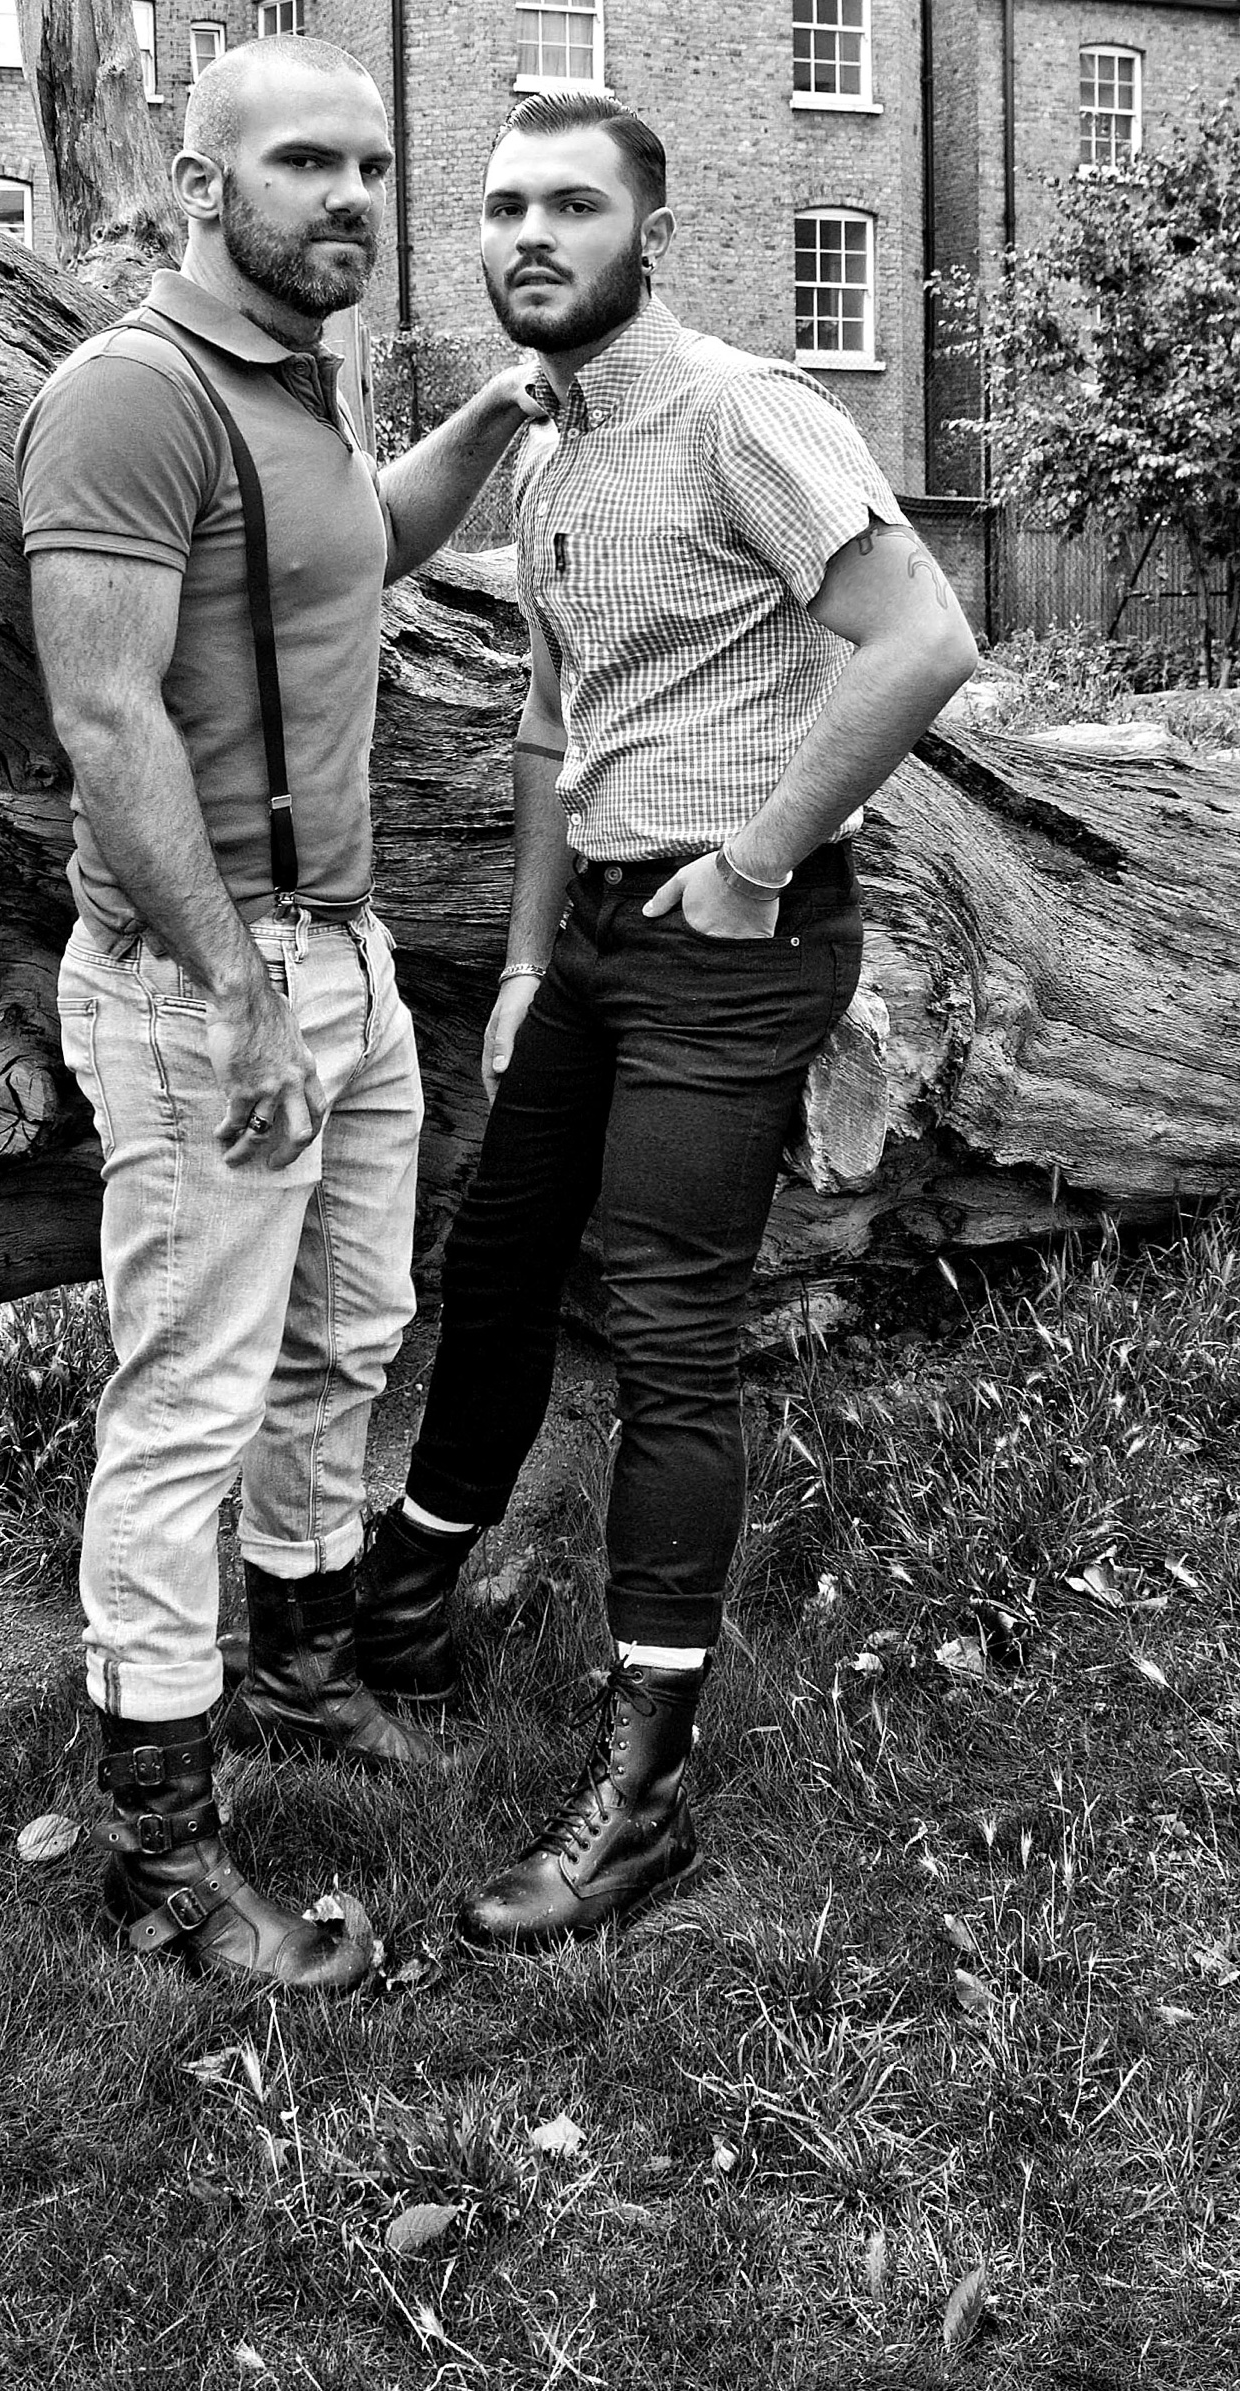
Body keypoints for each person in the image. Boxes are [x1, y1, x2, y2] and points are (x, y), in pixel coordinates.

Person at [355, 90, 978, 1952]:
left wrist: (755, 862)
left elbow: (926, 637)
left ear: (654, 233)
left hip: (735, 935)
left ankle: (643, 1797)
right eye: (500, 209)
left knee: (666, 1327)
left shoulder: (740, 414)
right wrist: (536, 956)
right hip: (604, 938)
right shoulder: (547, 463)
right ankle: (411, 1606)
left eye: (571, 207)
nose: (527, 237)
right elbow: (554, 730)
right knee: (500, 1253)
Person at [15, 36, 541, 1993]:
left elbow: (348, 557)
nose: (344, 195)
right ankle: (157, 1850)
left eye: (368, 164)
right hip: (197, 984)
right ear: (200, 174)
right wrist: (237, 994)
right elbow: (102, 714)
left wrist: (485, 422)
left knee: (348, 1335)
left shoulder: (296, 385)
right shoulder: (125, 399)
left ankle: (305, 1678)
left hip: (345, 959)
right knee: (184, 1408)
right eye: (300, 162)